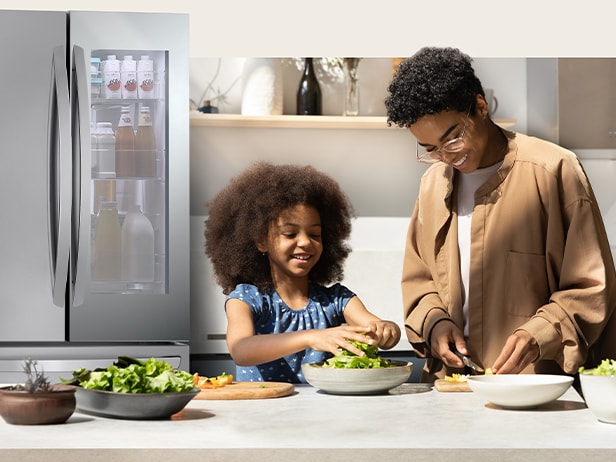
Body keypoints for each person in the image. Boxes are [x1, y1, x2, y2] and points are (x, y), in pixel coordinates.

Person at [385, 46, 616, 382]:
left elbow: (592, 287)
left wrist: (540, 334)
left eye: (453, 139)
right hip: (452, 391)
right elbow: (419, 280)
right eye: (431, 149)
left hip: (536, 390)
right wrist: (435, 321)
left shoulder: (554, 170)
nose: (447, 156)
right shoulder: (433, 185)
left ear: (480, 107)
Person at [204, 162, 401, 383]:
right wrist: (310, 337)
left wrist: (387, 331)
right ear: (261, 241)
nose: (305, 242)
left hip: (319, 413)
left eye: (315, 235)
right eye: (289, 234)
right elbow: (241, 350)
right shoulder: (246, 299)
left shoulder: (337, 300)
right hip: (261, 412)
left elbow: (375, 327)